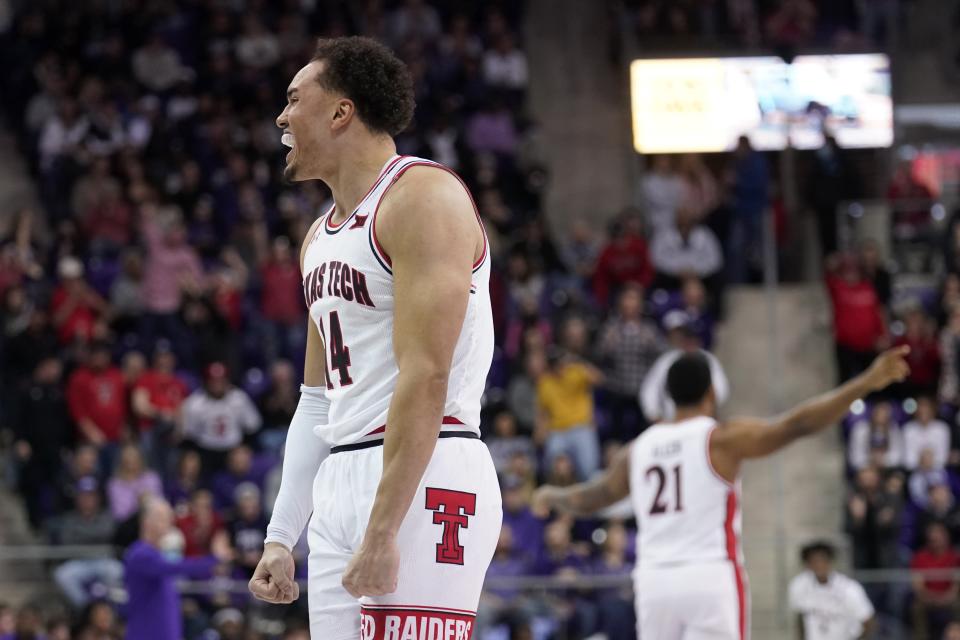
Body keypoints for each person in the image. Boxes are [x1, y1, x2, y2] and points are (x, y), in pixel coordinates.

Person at [249, 37, 502, 639]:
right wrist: (282, 535)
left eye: (294, 100)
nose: (282, 117)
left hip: (425, 466)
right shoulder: (318, 237)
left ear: (341, 112)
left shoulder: (422, 198)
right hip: (344, 472)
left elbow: (427, 375)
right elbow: (317, 400)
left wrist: (384, 528)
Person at [533, 346, 910, 638]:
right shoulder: (720, 439)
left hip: (653, 581)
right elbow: (797, 425)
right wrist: (863, 383)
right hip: (709, 576)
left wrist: (553, 495)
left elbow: (596, 496)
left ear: (667, 395)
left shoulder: (639, 448)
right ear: (712, 392)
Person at [123, 497, 230, 640]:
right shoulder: (140, 554)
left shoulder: (158, 555)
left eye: (169, 517)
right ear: (147, 522)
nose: (170, 522)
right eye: (163, 517)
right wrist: (214, 559)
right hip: (146, 633)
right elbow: (178, 567)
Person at [787, 541, 875, 640]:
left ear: (830, 561)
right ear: (808, 564)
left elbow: (868, 620)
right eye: (814, 561)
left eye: (822, 560)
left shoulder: (849, 588)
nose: (819, 565)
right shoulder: (799, 585)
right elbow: (800, 617)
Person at [911, 522, 960, 640]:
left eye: (938, 538)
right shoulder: (920, 557)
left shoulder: (955, 557)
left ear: (946, 538)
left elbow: (956, 585)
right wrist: (932, 598)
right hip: (927, 599)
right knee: (916, 608)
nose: (935, 542)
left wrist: (947, 597)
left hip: (950, 598)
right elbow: (918, 586)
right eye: (933, 539)